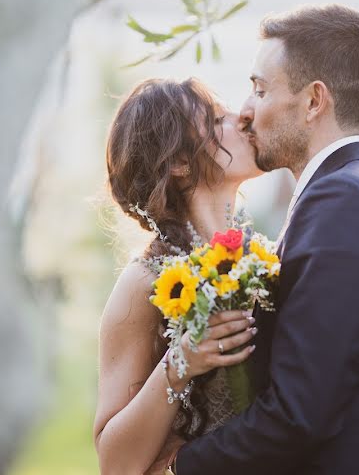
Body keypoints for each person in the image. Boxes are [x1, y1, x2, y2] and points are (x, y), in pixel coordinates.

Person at [167, 4, 359, 474]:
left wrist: (179, 469)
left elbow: (299, 413)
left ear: (314, 101)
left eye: (259, 89)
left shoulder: (344, 201)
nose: (246, 112)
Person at [93, 78, 262, 474]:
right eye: (219, 120)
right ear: (179, 163)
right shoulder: (145, 284)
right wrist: (182, 361)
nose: (244, 117)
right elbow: (115, 465)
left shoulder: (262, 261)